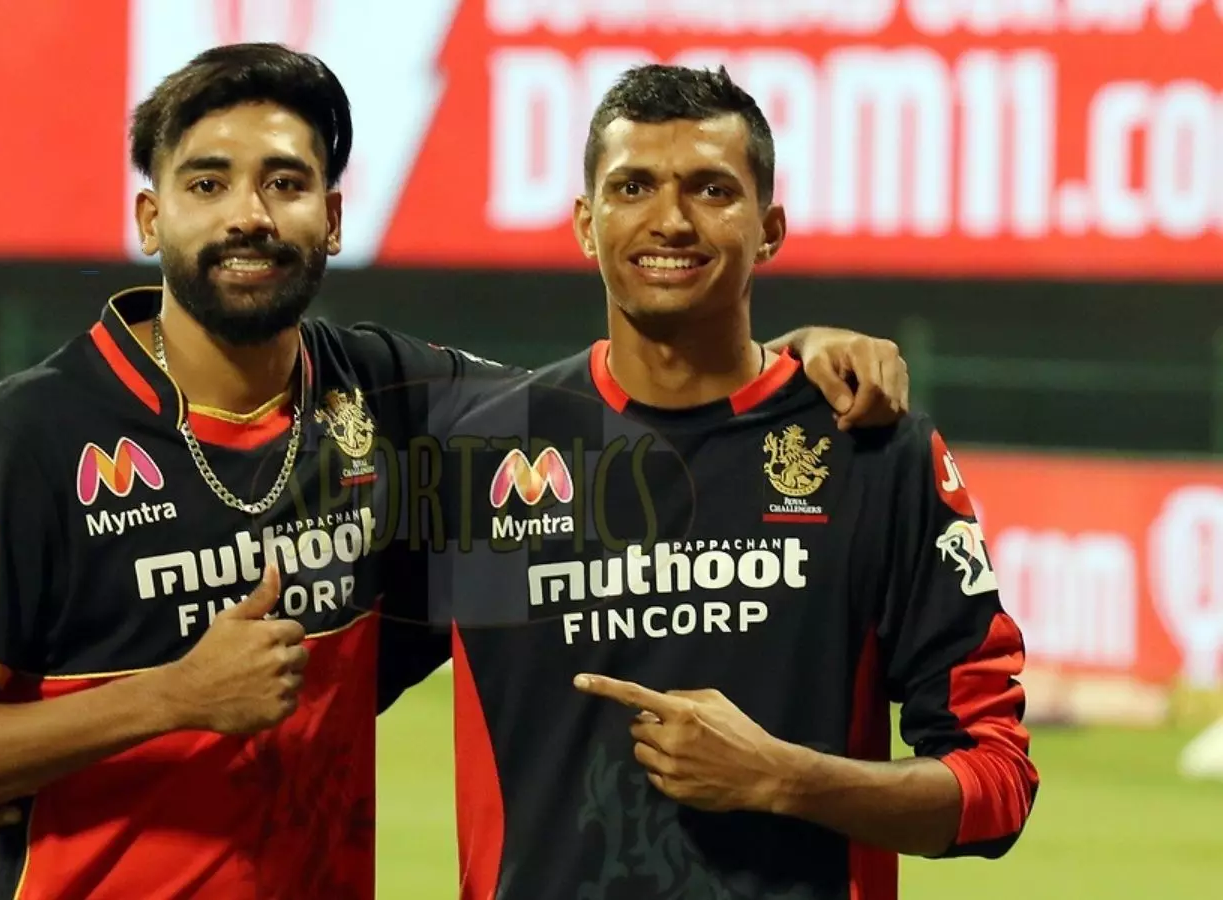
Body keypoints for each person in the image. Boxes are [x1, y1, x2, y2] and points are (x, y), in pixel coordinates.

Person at [0, 44, 912, 899]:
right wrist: (169, 698)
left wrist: (794, 358)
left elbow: (640, 397)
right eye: (207, 182)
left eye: (285, 182)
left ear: (332, 217)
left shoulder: (393, 397)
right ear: (151, 218)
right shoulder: (31, 438)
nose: (249, 214)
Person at [427, 63, 1039, 899]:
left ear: (770, 228)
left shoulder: (869, 450)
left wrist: (786, 778)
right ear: (585, 224)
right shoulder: (484, 455)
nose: (670, 220)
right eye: (633, 187)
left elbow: (996, 784)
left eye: (712, 190)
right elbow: (336, 674)